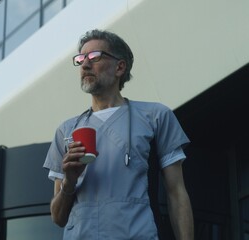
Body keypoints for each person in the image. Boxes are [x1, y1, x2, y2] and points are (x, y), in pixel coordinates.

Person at [43, 29, 194, 239]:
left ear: (120, 67)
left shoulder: (155, 117)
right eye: (81, 59)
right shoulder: (67, 131)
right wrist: (69, 181)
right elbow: (58, 218)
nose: (85, 64)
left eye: (94, 57)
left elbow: (176, 194)